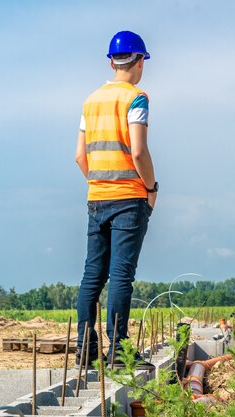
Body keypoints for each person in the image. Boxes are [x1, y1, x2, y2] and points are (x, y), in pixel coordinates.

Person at [74, 30, 158, 370]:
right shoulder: (136, 98)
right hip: (129, 198)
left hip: (96, 197)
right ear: (139, 62)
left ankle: (84, 349)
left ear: (111, 61)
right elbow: (138, 151)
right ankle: (119, 353)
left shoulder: (90, 101)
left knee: (92, 275)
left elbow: (80, 157)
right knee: (122, 276)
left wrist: (100, 183)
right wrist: (150, 188)